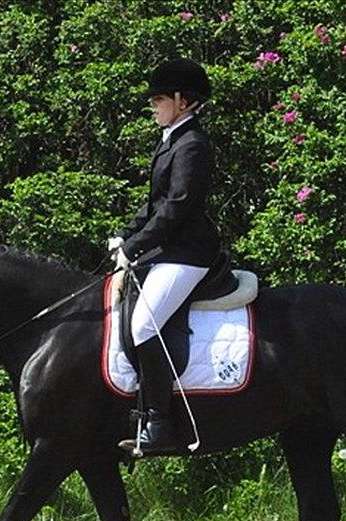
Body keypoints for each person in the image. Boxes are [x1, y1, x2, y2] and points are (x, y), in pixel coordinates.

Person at [109, 57, 221, 454]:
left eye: (159, 99)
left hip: (188, 253)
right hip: (168, 248)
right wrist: (125, 234)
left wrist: (135, 246)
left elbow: (176, 207)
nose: (153, 106)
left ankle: (159, 424)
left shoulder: (192, 144)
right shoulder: (172, 139)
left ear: (182, 100)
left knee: (143, 326)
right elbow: (154, 204)